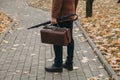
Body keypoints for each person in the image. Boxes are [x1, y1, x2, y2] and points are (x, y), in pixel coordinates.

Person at [45, 0, 79, 72]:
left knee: (57, 39)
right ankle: (69, 63)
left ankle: (57, 64)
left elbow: (57, 2)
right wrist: (73, 12)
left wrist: (54, 16)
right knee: (69, 39)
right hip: (69, 15)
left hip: (61, 16)